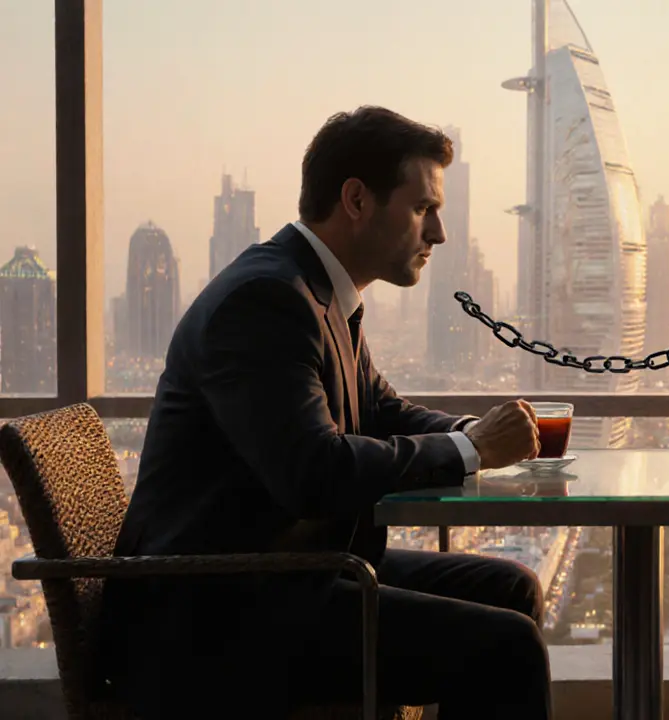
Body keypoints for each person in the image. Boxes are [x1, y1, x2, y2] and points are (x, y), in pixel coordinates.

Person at [103, 106, 552, 719]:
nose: (439, 233)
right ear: (357, 200)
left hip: (282, 576)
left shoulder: (317, 291)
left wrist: (473, 433)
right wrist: (473, 450)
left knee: (512, 587)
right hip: (217, 616)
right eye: (423, 208)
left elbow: (380, 409)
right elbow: (313, 471)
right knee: (507, 647)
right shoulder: (267, 299)